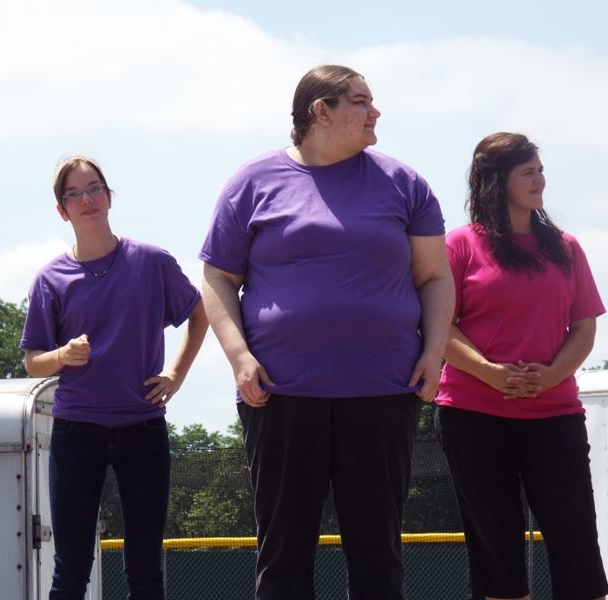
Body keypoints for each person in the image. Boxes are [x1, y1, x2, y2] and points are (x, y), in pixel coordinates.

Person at [199, 65, 454, 600]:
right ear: (321, 111)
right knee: (283, 556)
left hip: (383, 390)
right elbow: (218, 277)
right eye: (360, 101)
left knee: (378, 555)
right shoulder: (252, 182)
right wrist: (240, 357)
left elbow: (434, 277)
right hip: (279, 393)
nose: (375, 112)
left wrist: (435, 352)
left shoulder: (405, 184)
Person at [19, 155, 208, 600]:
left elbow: (200, 314)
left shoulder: (151, 261)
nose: (86, 199)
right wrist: (63, 355)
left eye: (94, 189)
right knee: (70, 571)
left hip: (142, 428)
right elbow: (33, 362)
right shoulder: (50, 278)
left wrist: (175, 375)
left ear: (109, 197)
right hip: (75, 431)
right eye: (74, 194)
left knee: (145, 569)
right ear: (62, 210)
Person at [435, 132, 608, 600]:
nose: (540, 181)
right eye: (528, 172)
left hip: (555, 414)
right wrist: (490, 372)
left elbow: (584, 327)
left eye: (540, 170)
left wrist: (551, 376)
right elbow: (439, 328)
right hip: (473, 414)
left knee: (576, 543)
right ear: (497, 181)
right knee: (496, 550)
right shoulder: (459, 245)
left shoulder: (566, 247)